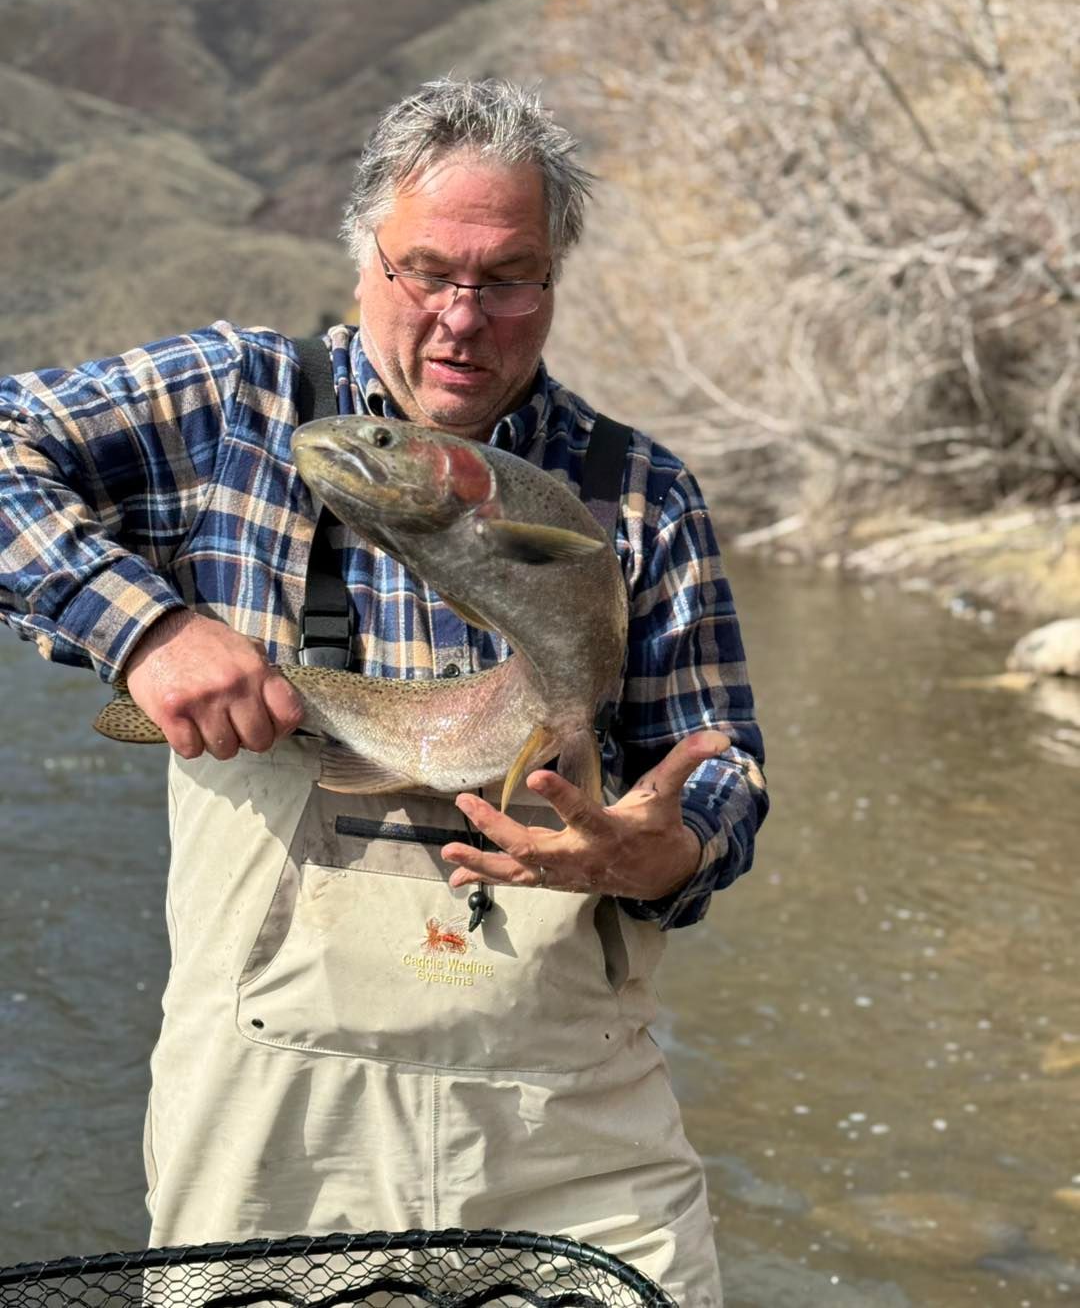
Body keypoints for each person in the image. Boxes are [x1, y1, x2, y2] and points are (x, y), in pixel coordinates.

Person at [0, 78, 767, 1304]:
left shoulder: (640, 493)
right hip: (278, 1135)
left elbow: (719, 768)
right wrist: (146, 630)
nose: (463, 318)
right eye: (427, 272)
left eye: (508, 278)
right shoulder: (235, 406)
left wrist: (662, 853)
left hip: (568, 1137)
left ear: (554, 278)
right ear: (364, 258)